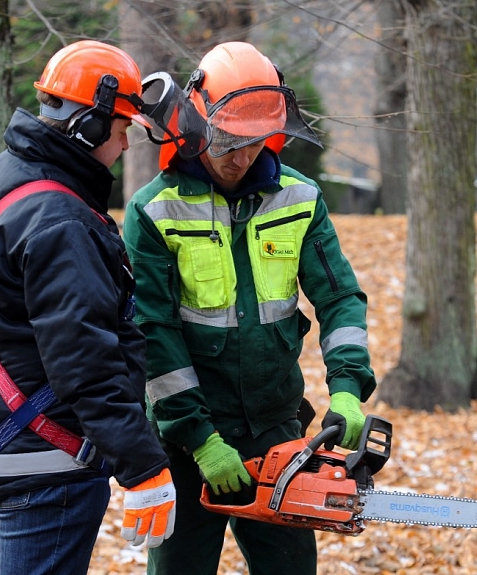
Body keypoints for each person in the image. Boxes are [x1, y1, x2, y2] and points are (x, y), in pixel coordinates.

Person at [0, 40, 207, 574]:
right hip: (44, 448)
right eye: (121, 127)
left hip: (2, 426)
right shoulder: (59, 217)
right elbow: (85, 359)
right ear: (88, 125)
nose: (127, 143)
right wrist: (143, 467)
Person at [122, 41, 377, 575]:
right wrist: (200, 439)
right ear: (195, 123)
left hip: (274, 423)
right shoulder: (154, 209)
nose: (239, 156)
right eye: (227, 139)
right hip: (189, 435)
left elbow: (339, 297)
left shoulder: (299, 197)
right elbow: (153, 332)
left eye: (253, 141)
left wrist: (349, 389)